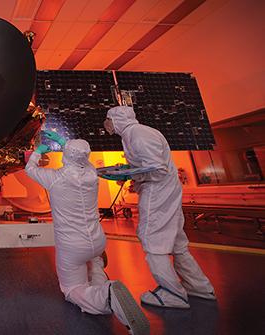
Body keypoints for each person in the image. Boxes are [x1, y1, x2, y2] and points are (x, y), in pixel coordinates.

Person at [26, 132, 149, 334]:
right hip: (97, 240)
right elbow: (79, 157)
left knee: (72, 289)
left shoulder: (55, 178)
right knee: (94, 265)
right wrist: (65, 143)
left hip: (72, 246)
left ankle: (106, 297)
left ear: (66, 156)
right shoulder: (92, 174)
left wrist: (38, 151)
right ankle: (103, 286)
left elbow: (29, 169)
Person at [104, 106, 216, 309]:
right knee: (176, 243)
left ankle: (173, 294)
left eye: (109, 119)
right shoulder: (134, 134)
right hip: (164, 190)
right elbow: (149, 165)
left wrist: (128, 174)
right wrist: (130, 171)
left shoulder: (137, 134)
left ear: (118, 119)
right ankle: (199, 286)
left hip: (157, 192)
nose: (107, 124)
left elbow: (156, 168)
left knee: (152, 239)